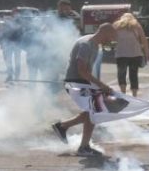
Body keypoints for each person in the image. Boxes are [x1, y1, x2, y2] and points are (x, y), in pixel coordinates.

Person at [50, 23, 118, 157]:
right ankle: (83, 147)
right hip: (75, 83)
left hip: (82, 82)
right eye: (110, 38)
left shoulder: (93, 44)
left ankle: (63, 127)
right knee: (94, 110)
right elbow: (82, 71)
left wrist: (98, 86)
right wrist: (101, 85)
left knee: (94, 110)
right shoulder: (86, 45)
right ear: (104, 34)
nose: (110, 41)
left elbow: (85, 72)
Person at [112, 12, 149, 96]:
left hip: (121, 54)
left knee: (121, 74)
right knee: (133, 75)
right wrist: (147, 54)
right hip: (135, 54)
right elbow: (144, 40)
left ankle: (123, 93)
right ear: (132, 18)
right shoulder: (136, 25)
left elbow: (111, 37)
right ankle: (134, 95)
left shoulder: (116, 25)